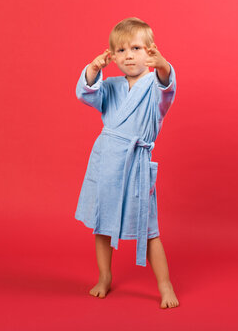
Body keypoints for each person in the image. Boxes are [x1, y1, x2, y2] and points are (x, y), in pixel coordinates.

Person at [74, 17, 179, 309]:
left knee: (149, 229)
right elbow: (87, 94)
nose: (129, 55)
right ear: (113, 57)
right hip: (107, 159)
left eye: (136, 48)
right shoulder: (111, 86)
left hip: (135, 164)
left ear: (150, 52)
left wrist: (163, 65)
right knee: (101, 223)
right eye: (120, 51)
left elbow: (167, 85)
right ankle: (105, 276)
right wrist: (93, 70)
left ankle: (164, 284)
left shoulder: (155, 87)